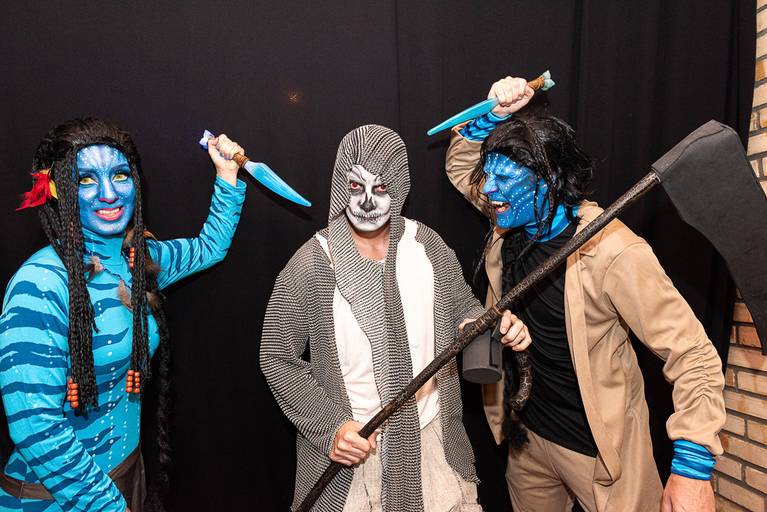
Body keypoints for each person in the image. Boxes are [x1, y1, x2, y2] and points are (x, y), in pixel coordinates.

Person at [444, 77, 725, 512]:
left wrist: (693, 466)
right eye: (490, 176)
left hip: (601, 454)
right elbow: (462, 166)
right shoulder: (512, 216)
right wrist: (493, 115)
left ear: (548, 180)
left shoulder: (614, 251)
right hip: (528, 440)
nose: (489, 189)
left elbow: (693, 354)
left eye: (504, 178)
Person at [260, 124, 531, 512]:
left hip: (434, 441)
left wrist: (492, 326)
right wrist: (331, 427)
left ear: (400, 187)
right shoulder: (313, 263)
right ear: (340, 186)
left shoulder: (427, 245)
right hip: (357, 455)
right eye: (356, 187)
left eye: (381, 187)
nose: (367, 202)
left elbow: (464, 310)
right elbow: (276, 356)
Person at [0, 117, 247, 512]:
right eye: (85, 180)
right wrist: (108, 505)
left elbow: (209, 247)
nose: (109, 193)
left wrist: (227, 174)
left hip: (127, 476)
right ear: (57, 190)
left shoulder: (140, 262)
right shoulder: (41, 282)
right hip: (56, 498)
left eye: (119, 175)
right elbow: (35, 426)